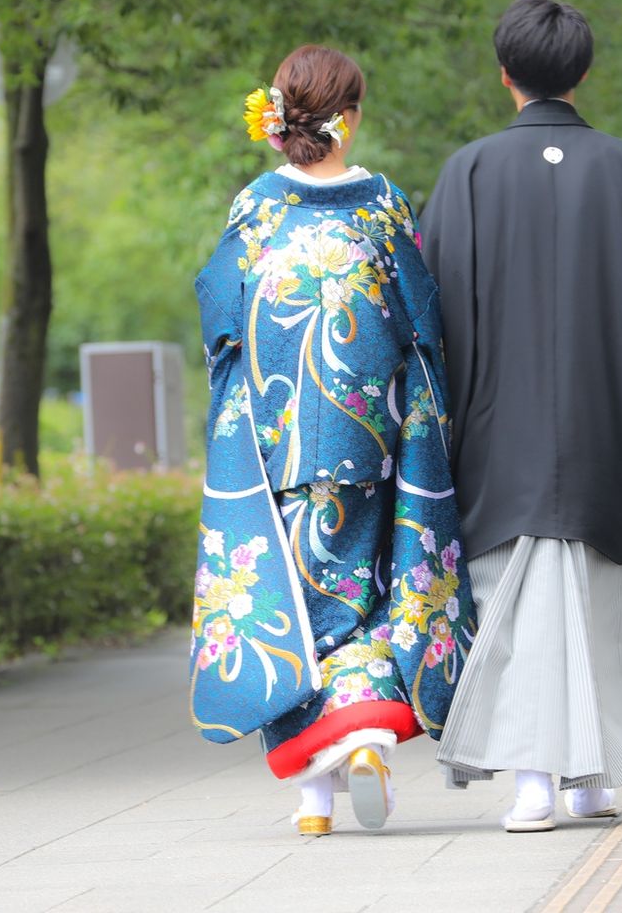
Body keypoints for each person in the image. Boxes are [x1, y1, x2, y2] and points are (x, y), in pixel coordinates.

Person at [421, 0, 622, 832]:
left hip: (496, 439)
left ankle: (534, 785)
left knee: (513, 611)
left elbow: (431, 320)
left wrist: (440, 438)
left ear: (504, 75)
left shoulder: (468, 174)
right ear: (583, 73)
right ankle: (593, 781)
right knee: (594, 603)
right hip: (604, 432)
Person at [190, 44, 476, 836]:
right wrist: (428, 421)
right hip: (371, 438)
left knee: (296, 602)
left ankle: (313, 800)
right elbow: (423, 323)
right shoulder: (383, 205)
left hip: (279, 444)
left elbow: (222, 324)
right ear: (347, 118)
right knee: (366, 591)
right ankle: (366, 737)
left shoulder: (256, 208)